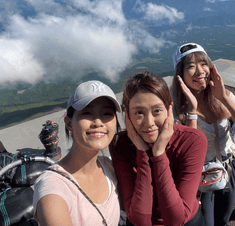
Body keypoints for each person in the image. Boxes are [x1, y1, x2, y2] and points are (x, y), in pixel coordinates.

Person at [171, 42, 235, 226]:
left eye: (203, 63)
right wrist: (191, 112)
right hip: (199, 178)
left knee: (224, 217)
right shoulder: (175, 109)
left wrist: (223, 98)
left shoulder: (222, 94)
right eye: (191, 66)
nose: (200, 71)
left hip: (229, 169)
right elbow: (188, 154)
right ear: (180, 74)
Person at [111, 70, 208, 226]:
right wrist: (142, 152)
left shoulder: (192, 140)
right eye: (139, 112)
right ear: (127, 115)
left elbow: (176, 219)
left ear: (169, 110)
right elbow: (139, 220)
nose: (149, 122)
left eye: (157, 111)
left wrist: (158, 154)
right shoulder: (120, 144)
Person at [33, 80, 122, 226]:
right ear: (69, 123)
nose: (98, 122)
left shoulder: (109, 167)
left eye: (107, 113)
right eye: (87, 113)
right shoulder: (53, 186)